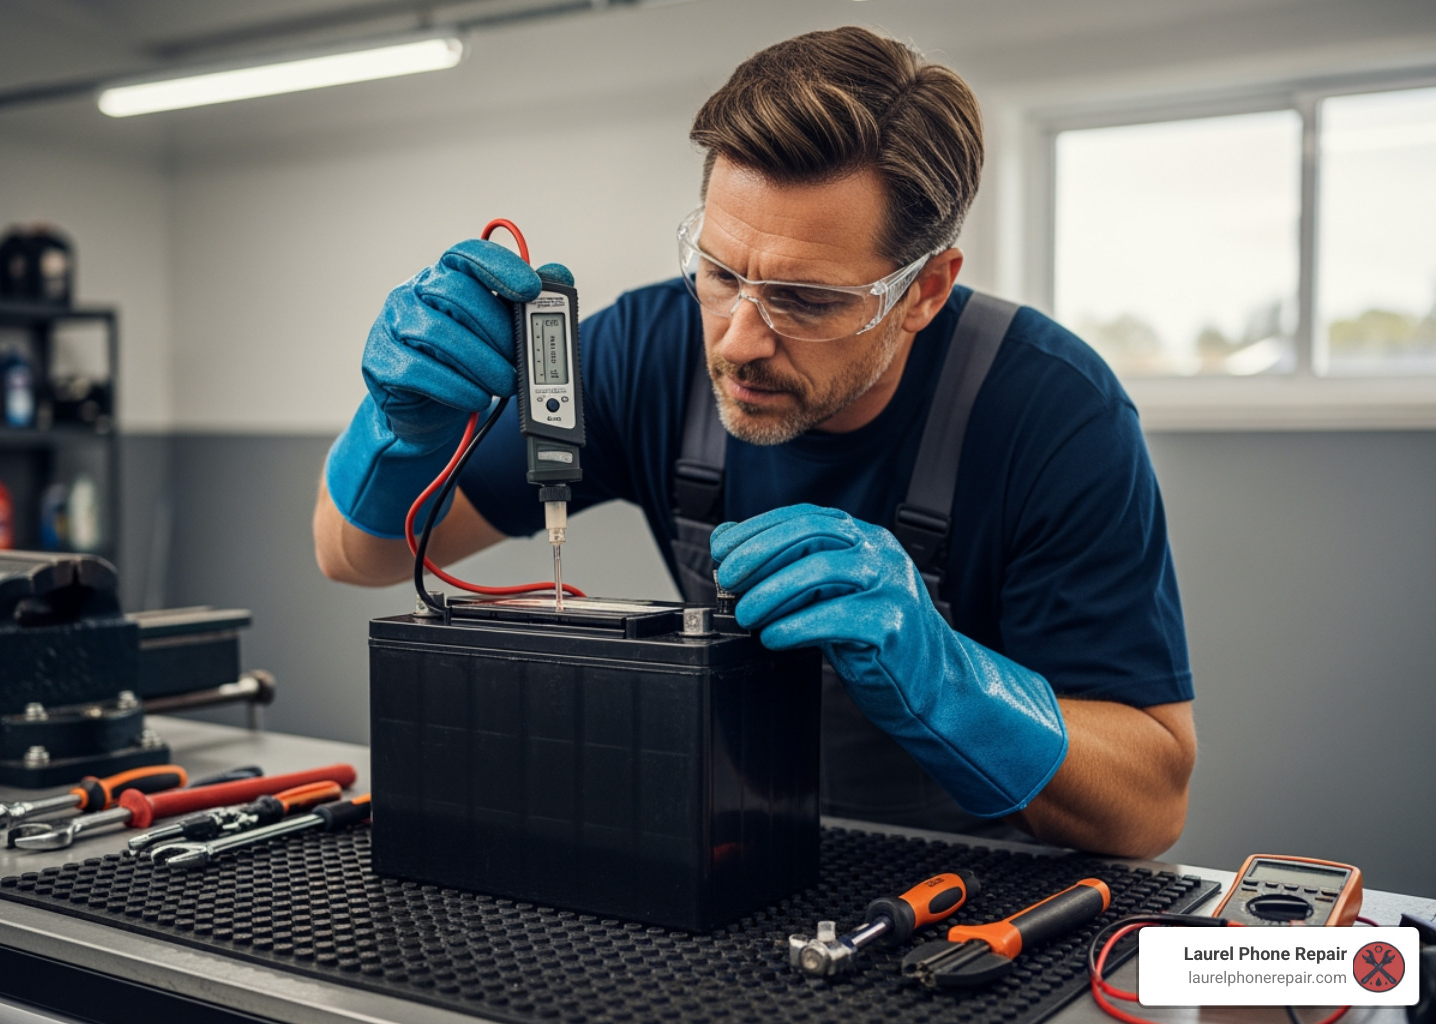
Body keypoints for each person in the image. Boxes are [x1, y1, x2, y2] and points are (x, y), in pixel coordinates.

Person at [313, 26, 1195, 859]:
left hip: (959, 889)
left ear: (924, 291)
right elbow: (356, 556)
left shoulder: (1052, 410)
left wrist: (947, 678)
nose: (738, 340)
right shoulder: (646, 349)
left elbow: (1150, 807)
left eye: (806, 300)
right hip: (730, 854)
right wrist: (398, 429)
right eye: (719, 272)